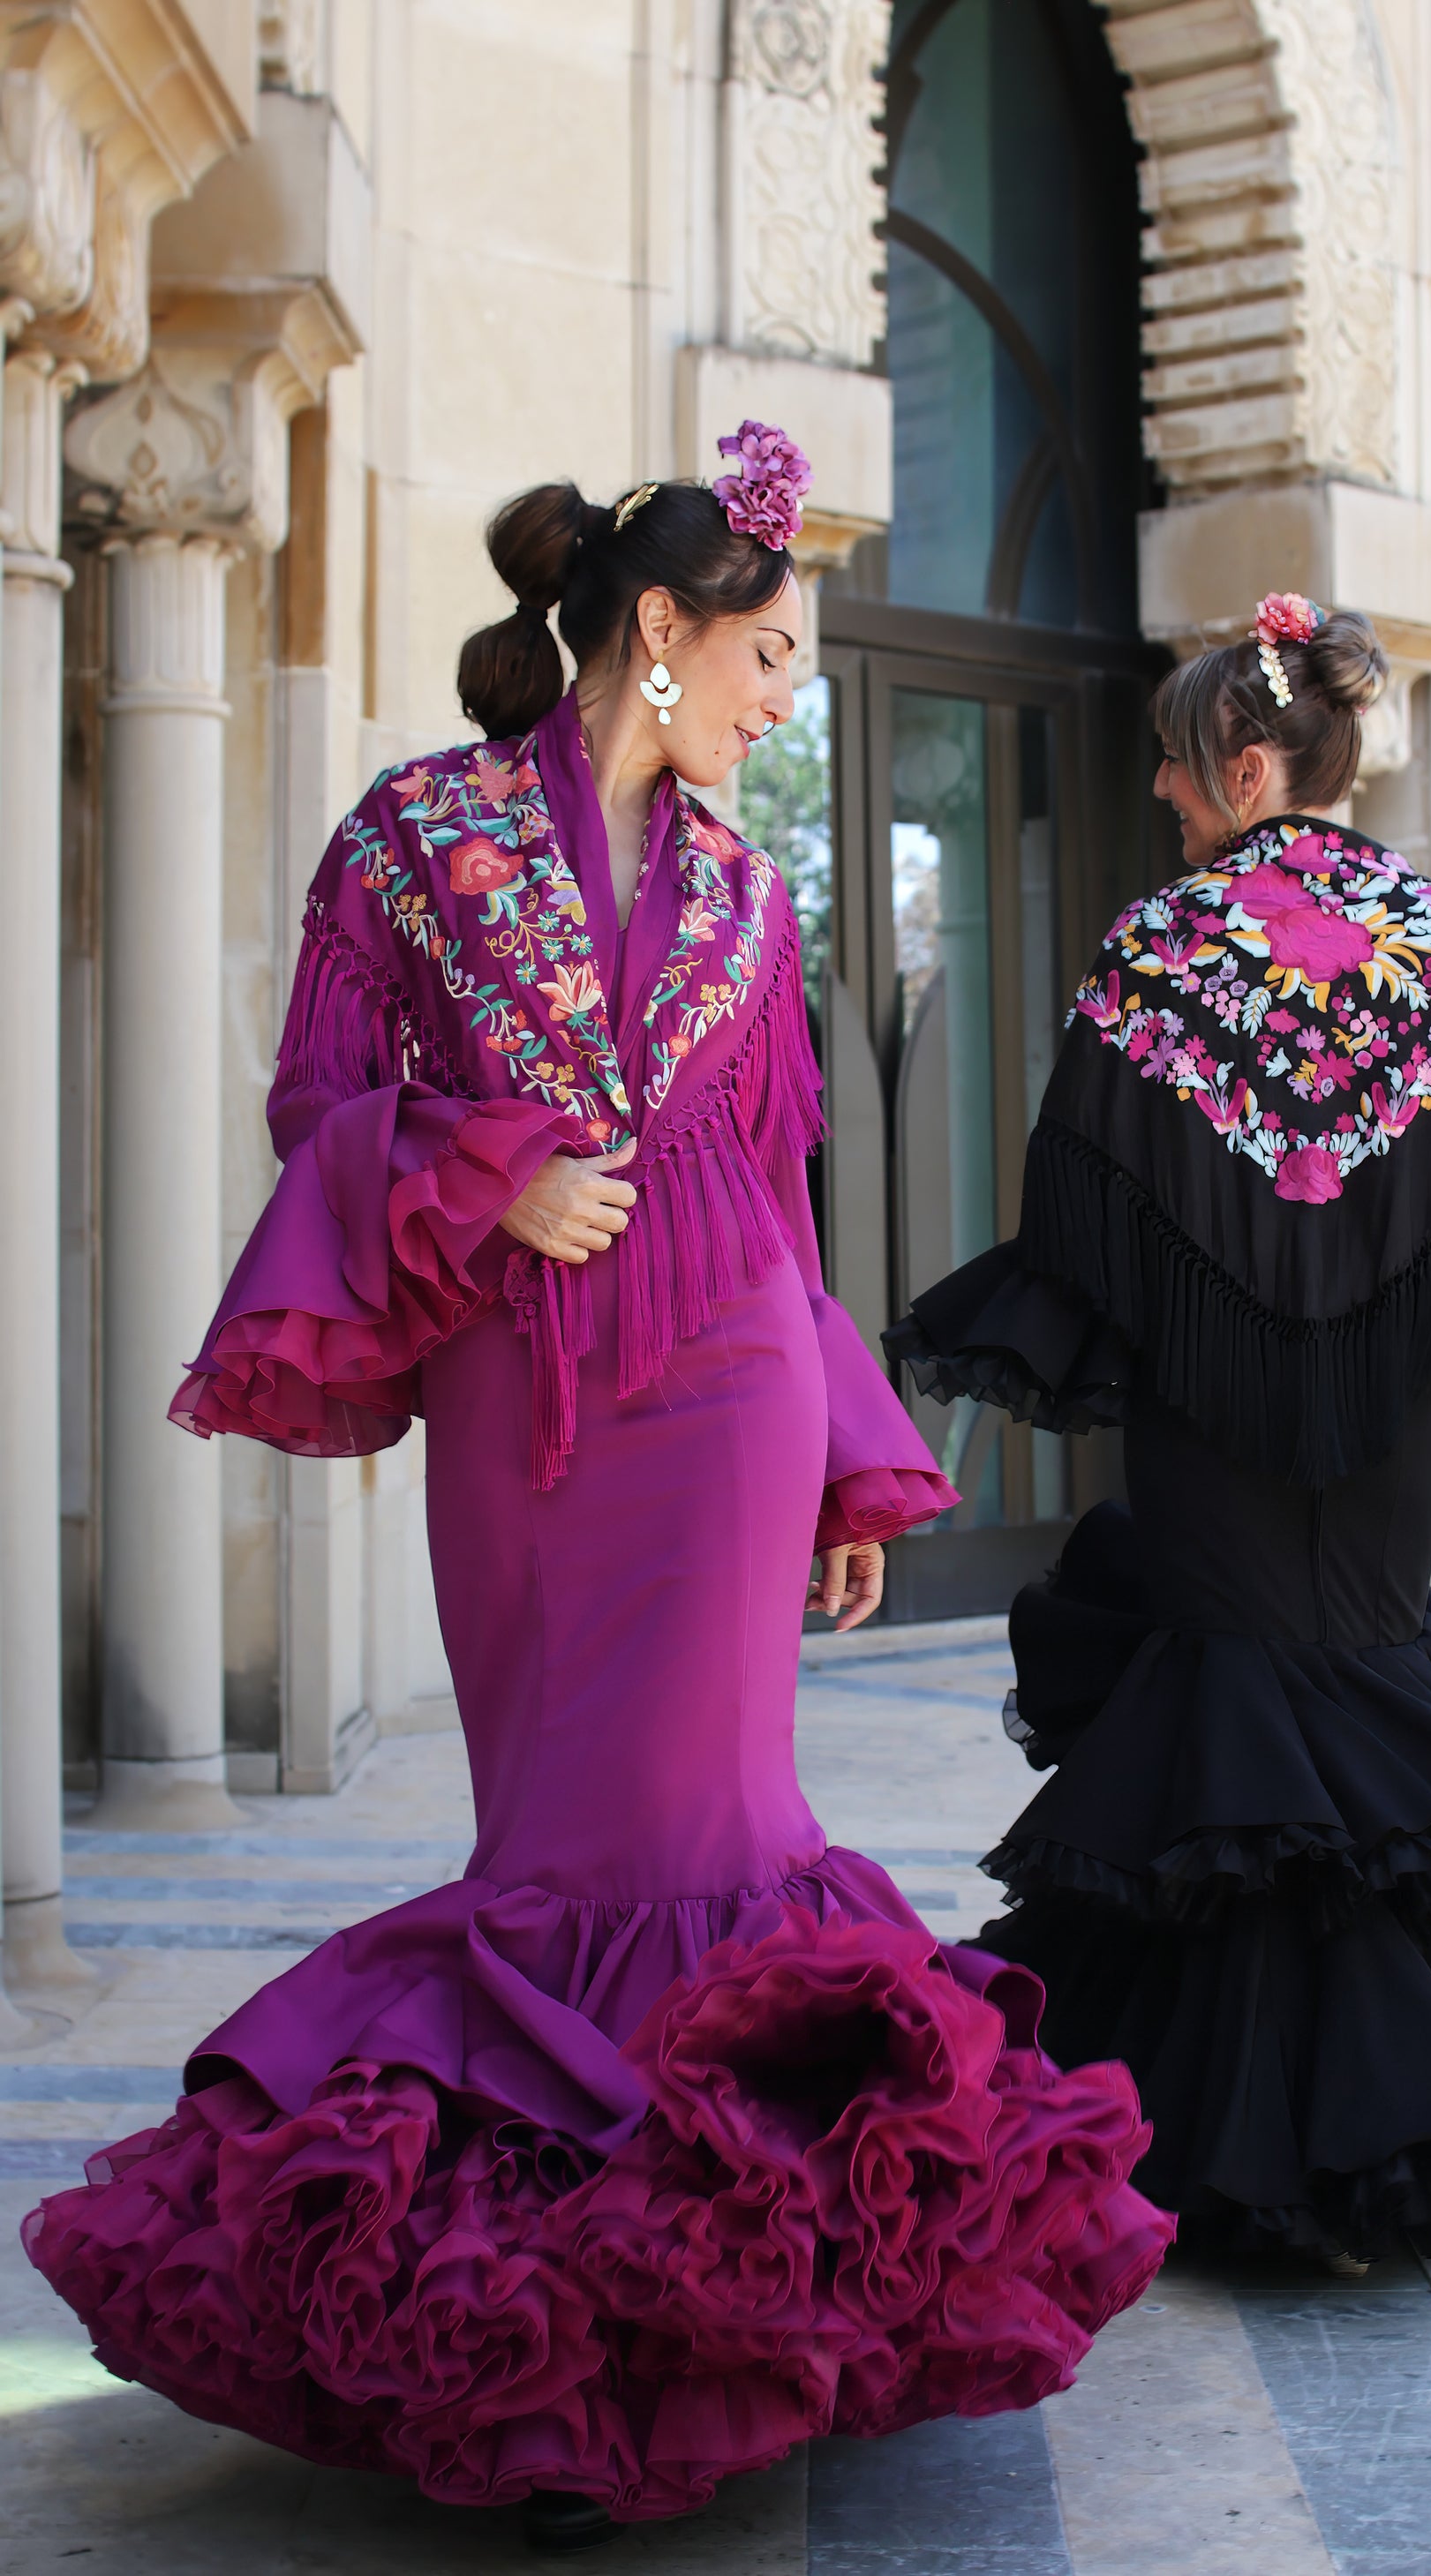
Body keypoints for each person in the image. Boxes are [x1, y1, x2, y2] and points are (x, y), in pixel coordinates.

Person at [24, 427, 1172, 2550]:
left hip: (732, 1381)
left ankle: (703, 2334)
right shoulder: (414, 840)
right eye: (770, 651)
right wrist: (499, 1168)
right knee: (563, 1842)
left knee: (724, 1830)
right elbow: (318, 1104)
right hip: (524, 1414)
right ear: (659, 629)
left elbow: (767, 1178)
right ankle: (576, 2332)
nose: (785, 694)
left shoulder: (751, 883)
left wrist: (843, 1455)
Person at [888, 592, 1431, 2269]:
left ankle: (1258, 2134)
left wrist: (1225, 1313)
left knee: (1239, 1717)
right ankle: (1412, 2105)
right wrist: (1385, 1320)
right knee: (1366, 1670)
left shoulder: (1160, 952)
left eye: (1181, 774)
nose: (1166, 803)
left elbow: (1080, 1212)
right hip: (1389, 1428)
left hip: (1208, 1417)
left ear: (1248, 765)